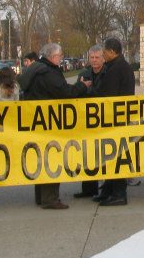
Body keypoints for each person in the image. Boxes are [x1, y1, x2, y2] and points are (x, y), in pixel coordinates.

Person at [19, 43, 89, 209]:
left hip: (37, 121)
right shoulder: (48, 72)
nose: (61, 58)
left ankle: (41, 196)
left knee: (40, 158)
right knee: (51, 158)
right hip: (49, 123)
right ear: (52, 56)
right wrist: (82, 86)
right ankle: (50, 198)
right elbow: (64, 92)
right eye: (60, 56)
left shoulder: (35, 69)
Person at [92, 38, 135, 206]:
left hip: (117, 119)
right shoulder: (116, 66)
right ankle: (108, 190)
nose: (102, 55)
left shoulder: (117, 69)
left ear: (112, 52)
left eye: (104, 52)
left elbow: (107, 93)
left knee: (116, 156)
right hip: (114, 118)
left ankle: (118, 193)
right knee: (109, 156)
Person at [72, 45, 105, 200]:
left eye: (97, 57)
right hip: (87, 121)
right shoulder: (85, 74)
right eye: (91, 58)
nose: (94, 60)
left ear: (103, 58)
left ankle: (106, 188)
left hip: (104, 121)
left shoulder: (106, 73)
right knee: (87, 156)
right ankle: (88, 188)